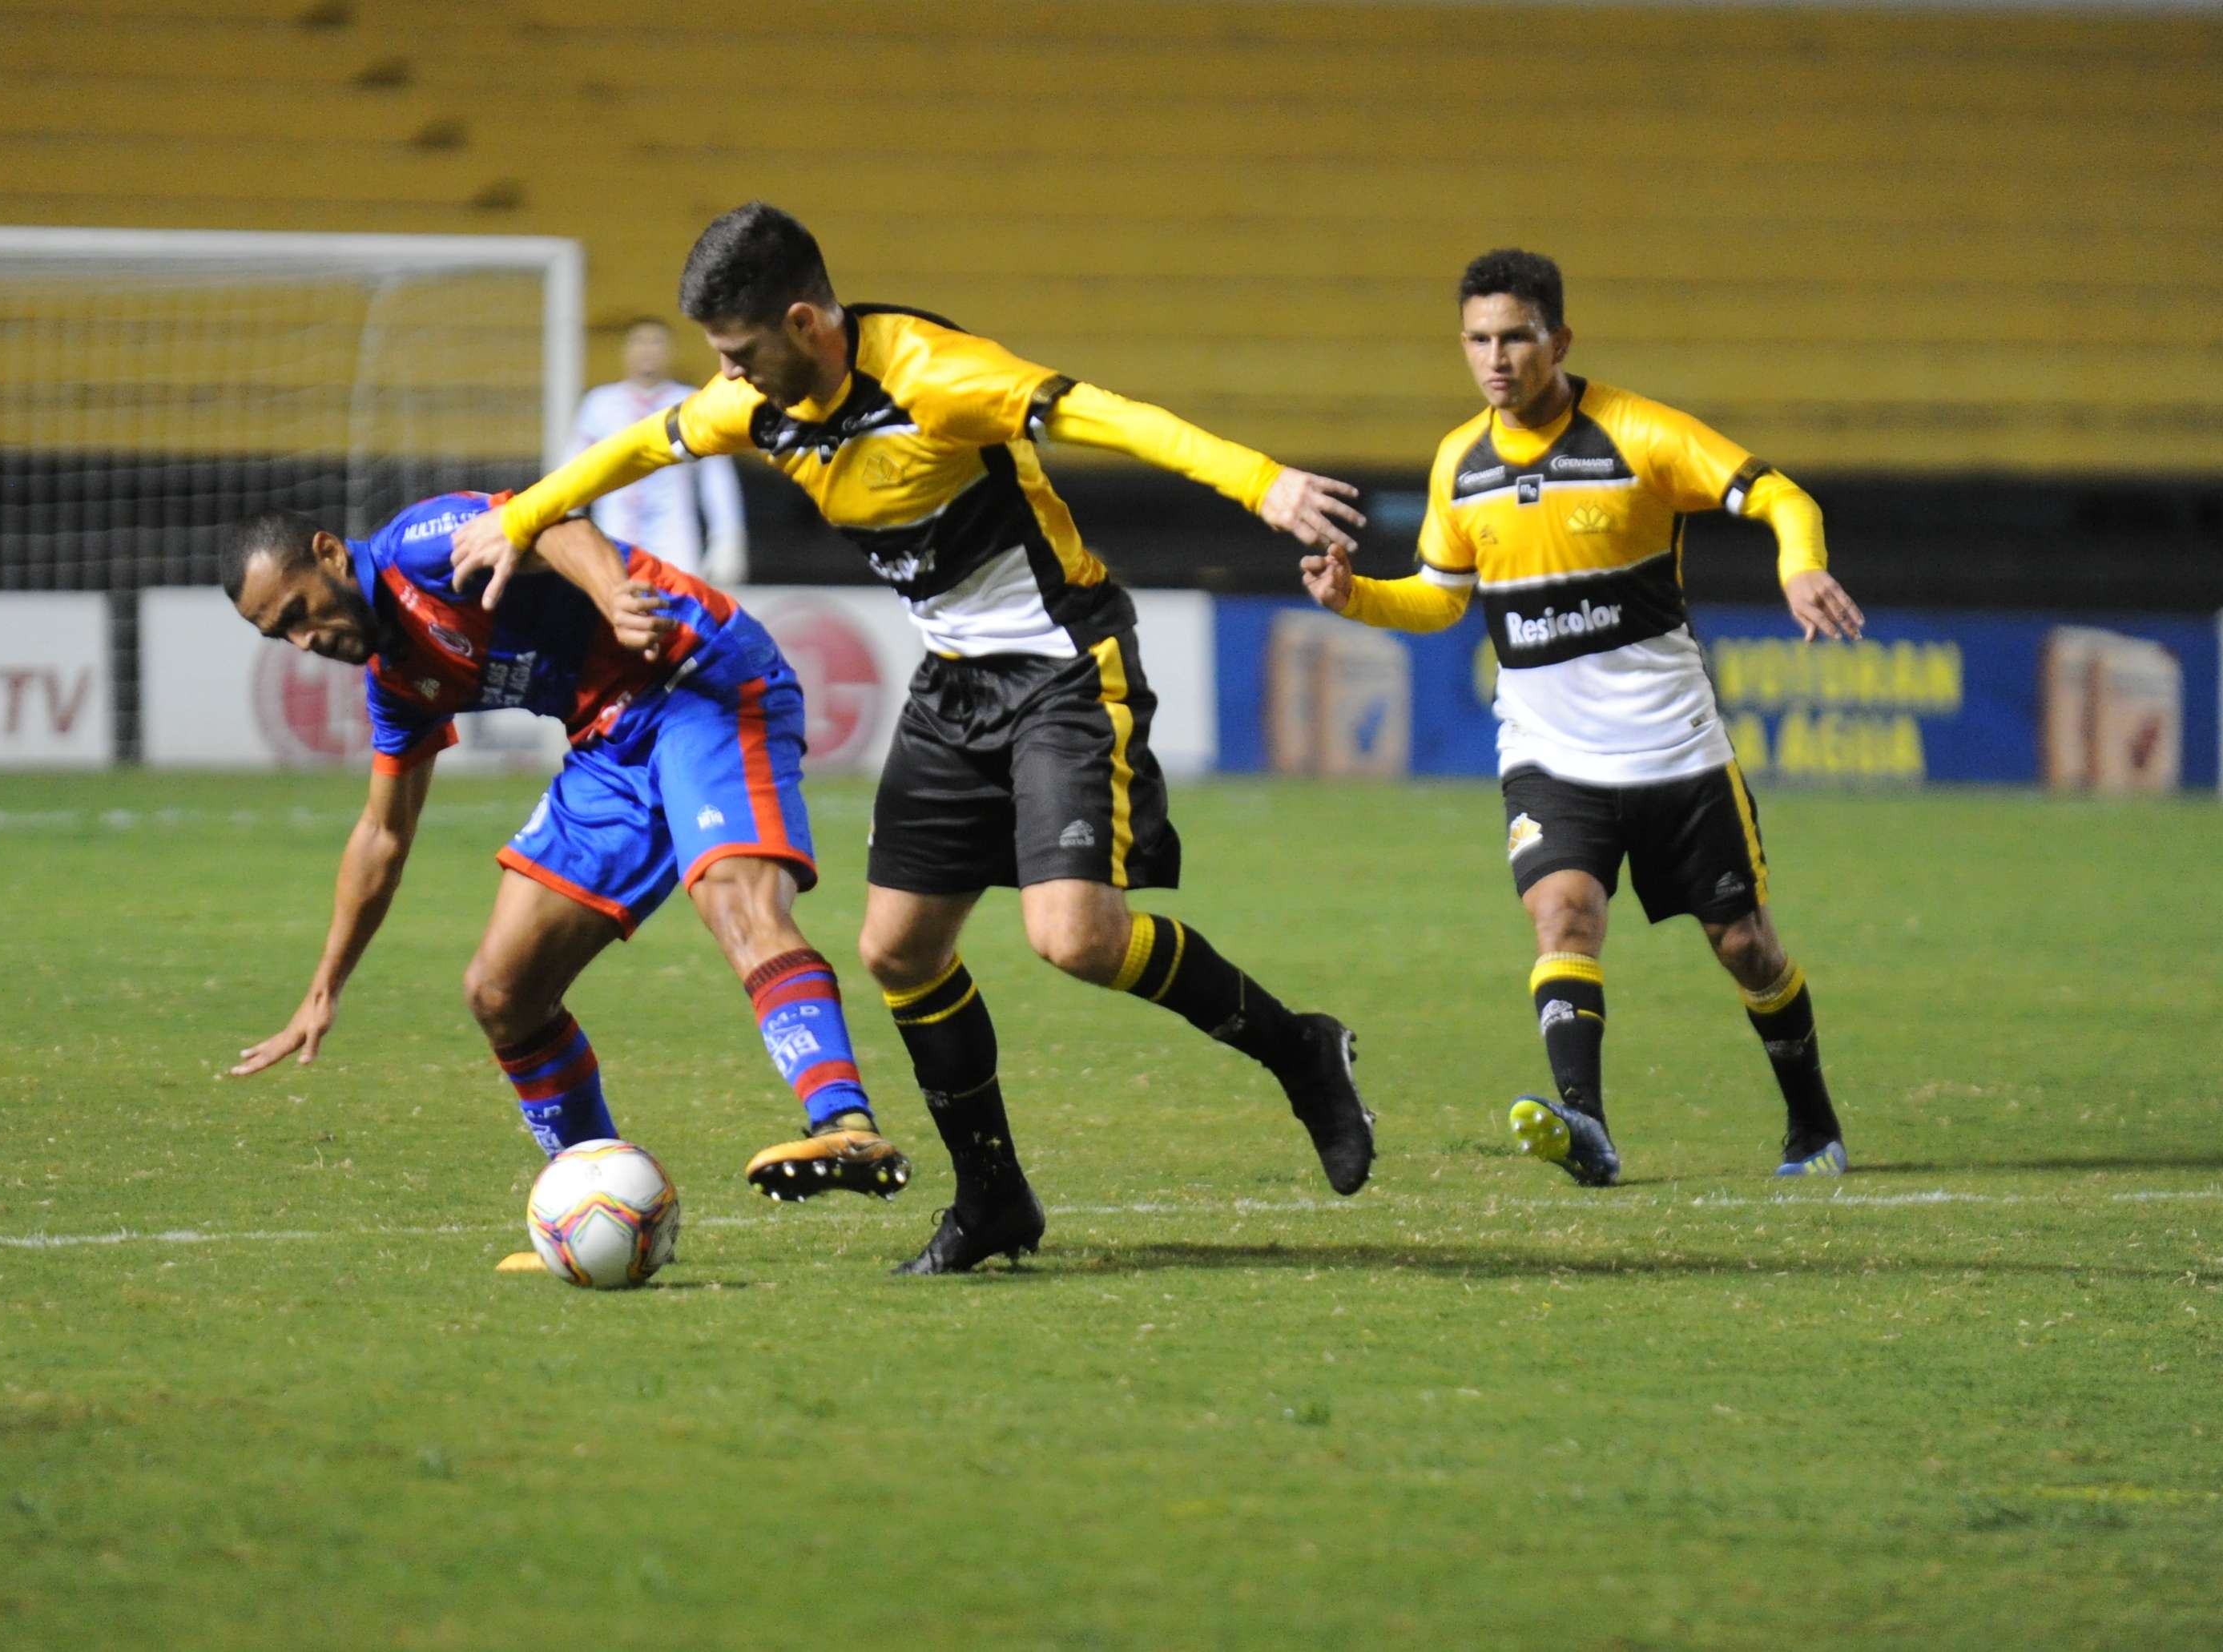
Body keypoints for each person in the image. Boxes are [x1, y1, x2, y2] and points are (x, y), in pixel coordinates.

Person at [452, 203, 1375, 1275]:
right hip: (953, 685)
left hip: (1064, 667)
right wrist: (520, 516)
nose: (728, 378)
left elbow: (1109, 417)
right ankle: (993, 1200)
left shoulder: (937, 376)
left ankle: (1297, 1045)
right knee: (897, 950)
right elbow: (630, 453)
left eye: (741, 353)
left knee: (1073, 937)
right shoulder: (750, 404)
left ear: (805, 322)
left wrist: (1262, 482)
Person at [219, 490, 909, 1267]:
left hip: (698, 678)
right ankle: (602, 1203)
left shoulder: (422, 546)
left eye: (301, 612)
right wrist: (324, 986)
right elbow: (381, 836)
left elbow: (553, 524)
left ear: (330, 555)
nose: (306, 640)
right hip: (608, 744)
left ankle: (845, 1123)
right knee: (500, 990)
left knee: (734, 902)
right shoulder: (399, 679)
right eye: (283, 635)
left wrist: (615, 595)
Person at [1301, 248, 1863, 1184]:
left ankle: (1813, 1123)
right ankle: (1587, 1126)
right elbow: (1442, 599)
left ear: (1559, 339)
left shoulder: (1638, 435)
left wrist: (1797, 560)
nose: (1496, 357)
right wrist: (1356, 596)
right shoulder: (1460, 463)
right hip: (1550, 752)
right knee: (1562, 916)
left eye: (1516, 336)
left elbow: (1776, 492)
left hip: (1674, 746)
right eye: (1478, 339)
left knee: (1748, 947)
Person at [568, 316, 749, 583]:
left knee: (679, 617)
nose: (648, 350)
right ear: (625, 350)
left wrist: (727, 538)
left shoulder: (693, 403)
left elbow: (716, 477)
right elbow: (573, 471)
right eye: (640, 342)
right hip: (614, 534)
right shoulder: (600, 404)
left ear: (670, 351)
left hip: (675, 539)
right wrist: (564, 526)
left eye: (656, 342)